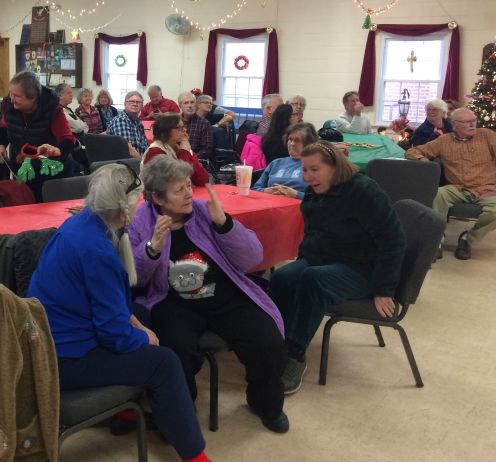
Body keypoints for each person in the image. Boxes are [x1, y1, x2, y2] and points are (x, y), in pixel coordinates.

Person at [27, 164, 215, 462]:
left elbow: (103, 301)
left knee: (142, 312)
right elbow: (114, 335)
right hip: (62, 359)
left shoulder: (83, 223)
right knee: (163, 361)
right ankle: (193, 453)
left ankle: (129, 411)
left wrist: (135, 321)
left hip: (53, 338)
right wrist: (144, 339)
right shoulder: (98, 251)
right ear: (125, 205)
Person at [128, 155, 289, 433]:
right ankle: (178, 414)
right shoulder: (140, 220)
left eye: (189, 185)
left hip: (225, 296)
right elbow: (135, 279)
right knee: (175, 349)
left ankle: (266, 404)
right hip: (173, 302)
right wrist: (152, 247)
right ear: (157, 197)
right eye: (179, 190)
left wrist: (224, 224)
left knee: (268, 341)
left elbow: (252, 257)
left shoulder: (204, 211)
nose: (189, 193)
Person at [268, 141, 405, 394]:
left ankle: (296, 354)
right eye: (304, 170)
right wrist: (304, 258)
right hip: (327, 257)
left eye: (314, 169)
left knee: (313, 279)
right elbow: (315, 233)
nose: (307, 176)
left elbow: (393, 239)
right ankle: (276, 342)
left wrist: (384, 288)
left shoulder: (364, 191)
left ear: (334, 166)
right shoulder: (316, 190)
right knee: (282, 277)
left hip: (364, 267)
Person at [405, 107, 496, 260]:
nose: (473, 125)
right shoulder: (444, 140)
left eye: (474, 121)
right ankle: (436, 241)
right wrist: (423, 159)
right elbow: (411, 152)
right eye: (467, 122)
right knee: (438, 194)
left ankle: (468, 240)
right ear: (455, 124)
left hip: (487, 188)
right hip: (458, 188)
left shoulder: (487, 135)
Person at [0, 71, 77, 199]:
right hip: (24, 169)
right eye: (10, 93)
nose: (11, 99)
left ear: (33, 97)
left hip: (51, 172)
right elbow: (5, 127)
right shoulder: (8, 105)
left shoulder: (53, 110)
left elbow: (68, 139)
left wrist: (56, 151)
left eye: (16, 96)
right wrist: (1, 145)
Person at [253, 123, 318, 199]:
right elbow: (255, 189)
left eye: (297, 140)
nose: (292, 144)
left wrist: (296, 194)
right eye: (290, 139)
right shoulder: (276, 163)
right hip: (270, 203)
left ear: (309, 144)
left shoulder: (316, 166)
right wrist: (266, 191)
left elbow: (321, 199)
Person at [142, 113, 208, 186]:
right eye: (179, 128)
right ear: (165, 131)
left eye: (183, 127)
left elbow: (203, 180)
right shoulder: (155, 151)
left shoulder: (181, 145)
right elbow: (177, 181)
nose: (184, 130)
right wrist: (184, 152)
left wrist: (188, 152)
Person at [107, 90, 147, 159]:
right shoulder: (121, 120)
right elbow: (128, 150)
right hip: (127, 164)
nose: (135, 104)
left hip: (141, 159)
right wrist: (143, 164)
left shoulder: (138, 122)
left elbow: (144, 146)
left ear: (142, 106)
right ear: (125, 104)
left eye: (138, 102)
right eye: (131, 101)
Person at [179, 92, 212, 159]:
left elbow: (206, 149)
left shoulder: (204, 123)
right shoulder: (174, 121)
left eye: (192, 102)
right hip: (175, 160)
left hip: (194, 160)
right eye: (186, 103)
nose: (190, 105)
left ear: (196, 105)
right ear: (180, 106)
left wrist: (191, 158)